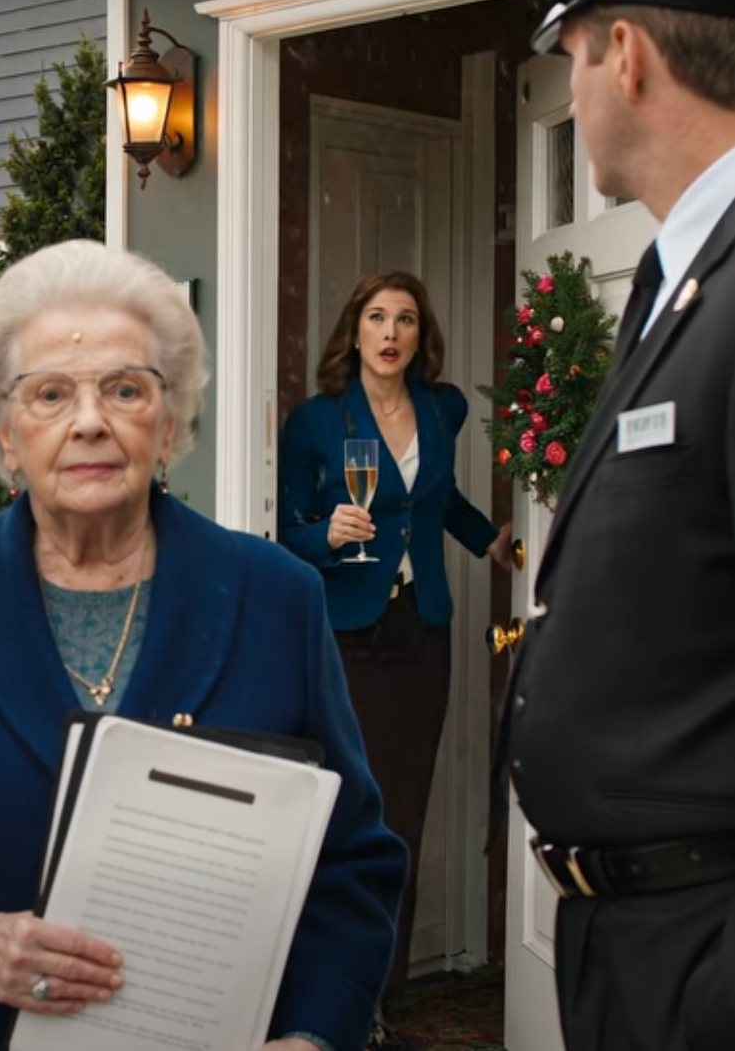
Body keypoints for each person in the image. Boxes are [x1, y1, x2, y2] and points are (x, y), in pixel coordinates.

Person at [0, 240, 407, 1051]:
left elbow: (353, 863)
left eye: (124, 389)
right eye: (49, 394)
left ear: (170, 425)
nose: (89, 421)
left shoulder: (274, 597)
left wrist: (313, 1035)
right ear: (6, 434)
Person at [495, 0, 735, 1050]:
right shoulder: (676, 276)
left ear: (626, 54)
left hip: (702, 955)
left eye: (573, 56)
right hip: (640, 940)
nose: (571, 90)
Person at [279, 273, 510, 1049]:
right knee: (350, 814)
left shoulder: (443, 409)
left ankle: (378, 998)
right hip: (347, 632)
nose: (389, 331)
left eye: (404, 319)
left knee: (401, 820)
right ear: (354, 331)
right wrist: (326, 537)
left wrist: (496, 543)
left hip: (423, 632)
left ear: (419, 336)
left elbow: (435, 505)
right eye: (376, 317)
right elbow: (288, 527)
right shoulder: (317, 420)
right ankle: (326, 995)